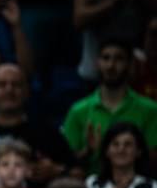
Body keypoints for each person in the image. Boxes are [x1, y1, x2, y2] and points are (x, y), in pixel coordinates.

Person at [62, 39, 157, 173]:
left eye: (119, 59)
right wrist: (88, 152)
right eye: (105, 58)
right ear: (97, 63)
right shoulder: (78, 111)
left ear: (130, 64)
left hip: (139, 187)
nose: (111, 65)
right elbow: (67, 163)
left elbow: (153, 160)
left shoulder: (150, 110)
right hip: (92, 187)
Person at [0, 63, 74, 188]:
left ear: (27, 91)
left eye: (16, 85)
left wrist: (57, 171)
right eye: (2, 85)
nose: (9, 90)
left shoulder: (46, 133)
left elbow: (79, 174)